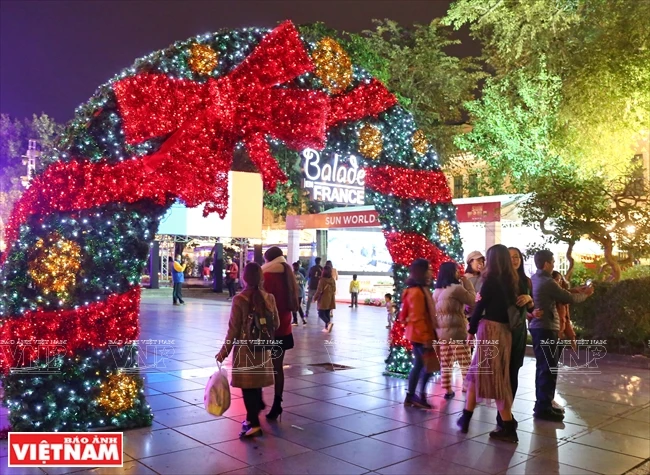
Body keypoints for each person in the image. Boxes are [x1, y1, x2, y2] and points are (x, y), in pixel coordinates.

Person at [457, 244, 519, 443]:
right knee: (476, 375)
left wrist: (471, 330)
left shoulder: (490, 281)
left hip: (490, 330)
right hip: (504, 332)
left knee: (496, 379)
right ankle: (465, 417)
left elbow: (479, 306)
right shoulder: (511, 280)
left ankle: (508, 426)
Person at [215, 262, 280, 438]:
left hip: (246, 351)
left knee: (247, 387)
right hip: (263, 348)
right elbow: (276, 324)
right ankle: (255, 411)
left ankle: (254, 423)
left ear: (244, 278)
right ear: (261, 278)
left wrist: (223, 353)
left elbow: (233, 330)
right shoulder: (270, 298)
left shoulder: (239, 299)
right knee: (256, 385)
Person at [530, 250, 593, 422]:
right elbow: (568, 298)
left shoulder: (535, 278)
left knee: (543, 368)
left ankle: (543, 404)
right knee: (548, 369)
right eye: (553, 262)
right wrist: (585, 294)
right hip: (546, 328)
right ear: (547, 264)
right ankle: (544, 407)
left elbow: (560, 292)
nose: (554, 265)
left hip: (538, 328)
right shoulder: (548, 281)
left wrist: (575, 289)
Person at [497, 247, 536, 429]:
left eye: (517, 257)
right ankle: (503, 415)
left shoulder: (526, 281)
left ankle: (506, 413)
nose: (514, 260)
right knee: (502, 373)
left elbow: (530, 309)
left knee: (513, 371)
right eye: (510, 257)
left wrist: (529, 298)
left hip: (519, 331)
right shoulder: (500, 280)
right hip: (502, 331)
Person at [261, 246, 299, 421]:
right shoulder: (288, 274)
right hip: (284, 327)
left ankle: (258, 400)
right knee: (278, 368)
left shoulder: (267, 276)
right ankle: (277, 403)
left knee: (260, 365)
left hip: (268, 329)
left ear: (268, 260)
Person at [432, 262, 476, 400]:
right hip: (457, 332)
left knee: (445, 362)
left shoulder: (437, 291)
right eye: (457, 270)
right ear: (452, 272)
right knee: (465, 362)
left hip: (442, 333)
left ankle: (448, 390)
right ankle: (468, 388)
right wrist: (467, 283)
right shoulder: (456, 288)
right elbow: (472, 300)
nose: (459, 273)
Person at [399, 258, 437, 409]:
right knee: (427, 366)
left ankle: (415, 396)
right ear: (421, 272)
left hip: (418, 335)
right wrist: (427, 337)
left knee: (422, 365)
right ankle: (415, 396)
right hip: (421, 336)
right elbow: (417, 317)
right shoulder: (417, 292)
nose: (431, 272)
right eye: (428, 269)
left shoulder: (417, 289)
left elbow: (403, 316)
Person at [552, 271, 577, 352]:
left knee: (555, 361)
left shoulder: (563, 298)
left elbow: (566, 318)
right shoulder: (550, 297)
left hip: (560, 335)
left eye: (560, 280)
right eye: (557, 279)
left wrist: (572, 337)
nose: (559, 282)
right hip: (552, 333)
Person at [314, 265, 336, 333]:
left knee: (321, 313)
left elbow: (319, 290)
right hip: (330, 299)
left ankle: (328, 323)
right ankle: (327, 328)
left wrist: (315, 298)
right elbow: (334, 289)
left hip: (323, 299)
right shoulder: (332, 280)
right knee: (327, 312)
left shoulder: (322, 280)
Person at [292, 261, 307, 326]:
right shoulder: (301, 275)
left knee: (294, 307)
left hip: (293, 293)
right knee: (298, 306)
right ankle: (303, 319)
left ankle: (295, 321)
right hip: (300, 293)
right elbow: (304, 283)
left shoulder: (291, 274)